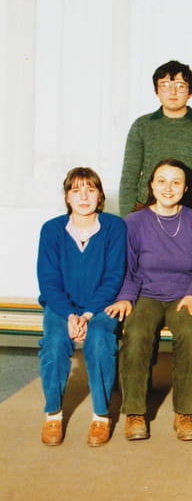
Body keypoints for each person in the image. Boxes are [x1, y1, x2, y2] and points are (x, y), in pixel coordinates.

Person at [106, 159, 192, 442]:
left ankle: (186, 413)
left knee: (191, 333)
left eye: (176, 183)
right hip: (145, 293)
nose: (168, 188)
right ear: (152, 186)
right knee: (136, 333)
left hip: (184, 294)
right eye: (162, 181)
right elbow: (126, 267)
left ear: (185, 188)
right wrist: (126, 298)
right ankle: (134, 412)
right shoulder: (134, 222)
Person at [37, 168, 126, 447]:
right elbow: (48, 281)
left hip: (100, 305)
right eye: (76, 190)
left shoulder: (114, 227)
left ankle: (101, 416)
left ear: (100, 195)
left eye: (90, 189)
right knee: (53, 344)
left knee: (99, 340)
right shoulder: (51, 229)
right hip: (62, 306)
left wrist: (87, 315)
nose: (84, 196)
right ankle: (53, 413)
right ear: (67, 197)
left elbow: (114, 276)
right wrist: (70, 315)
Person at [119, 60, 192, 223]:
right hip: (145, 212)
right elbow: (129, 178)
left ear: (190, 92)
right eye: (165, 85)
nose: (173, 92)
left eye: (180, 86)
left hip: (189, 214)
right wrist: (127, 222)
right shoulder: (141, 126)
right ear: (156, 91)